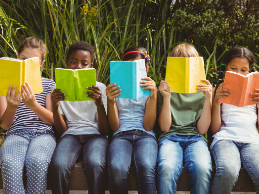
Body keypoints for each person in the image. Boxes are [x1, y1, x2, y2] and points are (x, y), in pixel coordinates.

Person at [49, 41, 109, 194]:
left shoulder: (100, 88)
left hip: (95, 136)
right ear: (67, 63)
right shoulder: (59, 89)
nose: (78, 67)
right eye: (74, 62)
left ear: (91, 66)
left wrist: (99, 104)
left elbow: (104, 130)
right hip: (70, 135)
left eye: (84, 63)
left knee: (95, 164)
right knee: (59, 165)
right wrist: (55, 106)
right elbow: (62, 130)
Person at [0, 37, 56, 194]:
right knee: (10, 163)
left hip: (43, 134)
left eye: (32, 61)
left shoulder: (49, 84)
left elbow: (52, 120)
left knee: (37, 162)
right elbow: (4, 125)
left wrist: (33, 104)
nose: (26, 63)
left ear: (41, 64)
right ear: (17, 56)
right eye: (23, 59)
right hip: (16, 133)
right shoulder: (5, 85)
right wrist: (12, 106)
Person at [157, 43, 212, 194]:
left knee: (203, 168)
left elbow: (202, 129)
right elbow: (164, 128)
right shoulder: (165, 89)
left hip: (196, 138)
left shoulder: (203, 90)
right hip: (170, 137)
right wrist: (166, 97)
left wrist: (208, 99)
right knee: (167, 168)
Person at [106, 46, 158, 194]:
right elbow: (114, 126)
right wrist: (110, 101)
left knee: (146, 166)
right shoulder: (115, 90)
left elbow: (148, 126)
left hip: (145, 135)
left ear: (146, 68)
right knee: (117, 168)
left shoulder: (150, 91)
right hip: (120, 135)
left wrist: (153, 96)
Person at [210, 46, 259, 194]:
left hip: (252, 139)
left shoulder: (256, 90)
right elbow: (214, 129)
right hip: (225, 138)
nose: (238, 73)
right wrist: (217, 101)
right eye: (233, 68)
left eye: (243, 70)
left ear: (250, 70)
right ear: (226, 67)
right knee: (228, 171)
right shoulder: (217, 89)